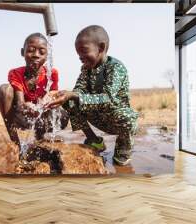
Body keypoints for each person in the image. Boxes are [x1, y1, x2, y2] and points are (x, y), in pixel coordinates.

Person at [45, 25, 138, 166]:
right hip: (98, 115)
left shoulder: (115, 68)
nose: (80, 57)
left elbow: (108, 99)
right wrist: (63, 95)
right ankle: (94, 140)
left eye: (84, 51)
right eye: (78, 54)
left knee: (127, 117)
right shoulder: (86, 69)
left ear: (101, 47)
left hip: (115, 118)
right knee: (69, 102)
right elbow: (78, 90)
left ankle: (123, 148)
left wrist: (75, 95)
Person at [0, 33, 68, 146]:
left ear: (47, 55)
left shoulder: (52, 73)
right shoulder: (15, 73)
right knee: (4, 89)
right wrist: (26, 105)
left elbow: (52, 94)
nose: (36, 55)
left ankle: (40, 137)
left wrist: (45, 103)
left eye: (41, 51)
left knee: (63, 112)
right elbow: (20, 103)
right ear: (22, 52)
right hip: (23, 117)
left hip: (42, 117)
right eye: (31, 50)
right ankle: (15, 142)